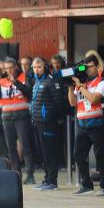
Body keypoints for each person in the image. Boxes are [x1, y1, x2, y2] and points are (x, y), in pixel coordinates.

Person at [68, 54, 104, 196]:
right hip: (82, 125)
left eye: (91, 66)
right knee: (78, 155)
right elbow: (73, 103)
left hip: (98, 124)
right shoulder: (82, 83)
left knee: (101, 156)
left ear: (98, 67)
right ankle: (86, 185)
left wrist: (80, 86)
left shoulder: (102, 82)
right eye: (86, 67)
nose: (88, 69)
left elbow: (93, 99)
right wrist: (70, 86)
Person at [0, 56, 35, 184]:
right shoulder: (3, 79)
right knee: (11, 147)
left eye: (10, 68)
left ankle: (30, 173)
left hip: (21, 116)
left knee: (25, 145)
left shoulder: (23, 77)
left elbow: (28, 91)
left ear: (16, 67)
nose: (8, 70)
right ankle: (17, 172)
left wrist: (15, 81)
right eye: (6, 68)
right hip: (7, 117)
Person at [31, 57, 65, 190]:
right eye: (34, 67)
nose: (36, 69)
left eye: (38, 67)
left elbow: (59, 102)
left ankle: (52, 181)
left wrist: (58, 118)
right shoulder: (36, 82)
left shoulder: (51, 81)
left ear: (44, 67)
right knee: (43, 153)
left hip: (48, 123)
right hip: (37, 122)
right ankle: (47, 179)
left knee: (50, 152)